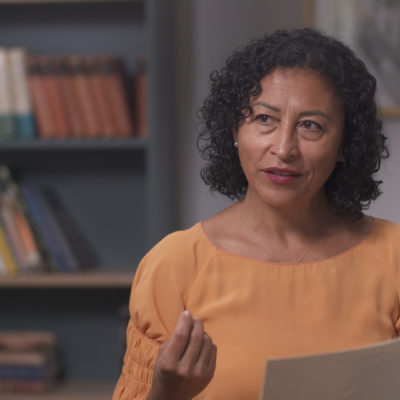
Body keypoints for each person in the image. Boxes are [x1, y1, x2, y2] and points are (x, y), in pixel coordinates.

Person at [112, 27, 398, 400]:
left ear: (345, 144)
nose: (283, 148)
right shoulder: (175, 265)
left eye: (310, 125)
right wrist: (167, 393)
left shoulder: (393, 255)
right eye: (264, 119)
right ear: (235, 129)